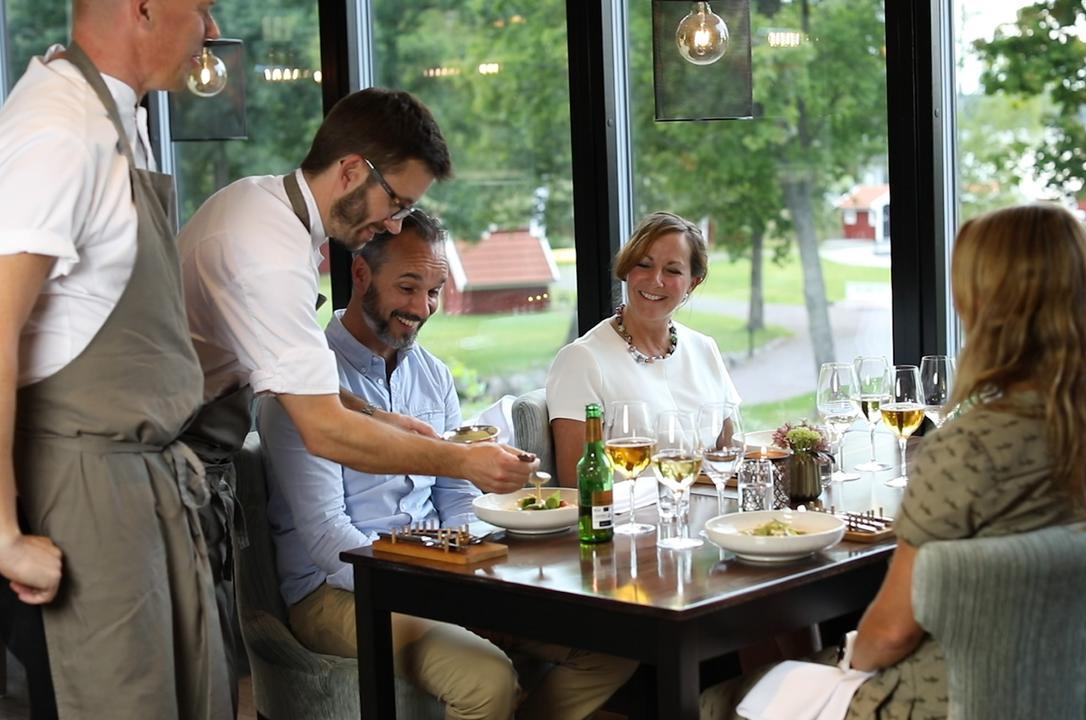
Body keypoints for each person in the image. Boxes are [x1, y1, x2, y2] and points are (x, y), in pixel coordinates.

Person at [701, 203, 1086, 720]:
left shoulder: (968, 447)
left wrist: (844, 659)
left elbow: (891, 632)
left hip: (940, 699)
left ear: (987, 299)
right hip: (1049, 689)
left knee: (723, 699)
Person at [177, 87, 537, 695]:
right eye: (395, 201)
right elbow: (320, 428)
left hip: (186, 458)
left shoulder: (259, 206)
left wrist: (380, 417)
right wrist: (462, 459)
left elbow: (299, 382)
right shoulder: (269, 250)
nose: (394, 222)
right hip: (172, 464)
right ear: (351, 171)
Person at [258, 214, 636, 720]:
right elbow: (330, 539)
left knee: (612, 650)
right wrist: (433, 590)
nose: (422, 308)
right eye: (408, 287)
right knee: (487, 679)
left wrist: (472, 574)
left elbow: (456, 501)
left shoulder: (433, 375)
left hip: (434, 575)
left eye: (434, 291)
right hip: (334, 591)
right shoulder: (305, 385)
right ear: (362, 276)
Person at [0, 0, 230, 717]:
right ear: (145, 8)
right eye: (203, 8)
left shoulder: (118, 119)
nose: (212, 30)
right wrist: (3, 536)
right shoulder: (59, 132)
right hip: (83, 492)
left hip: (143, 485)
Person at [545, 211, 740, 485]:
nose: (655, 280)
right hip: (628, 524)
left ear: (692, 283)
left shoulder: (705, 349)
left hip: (702, 520)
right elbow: (578, 488)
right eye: (644, 265)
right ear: (627, 268)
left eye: (672, 270)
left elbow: (729, 454)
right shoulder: (581, 360)